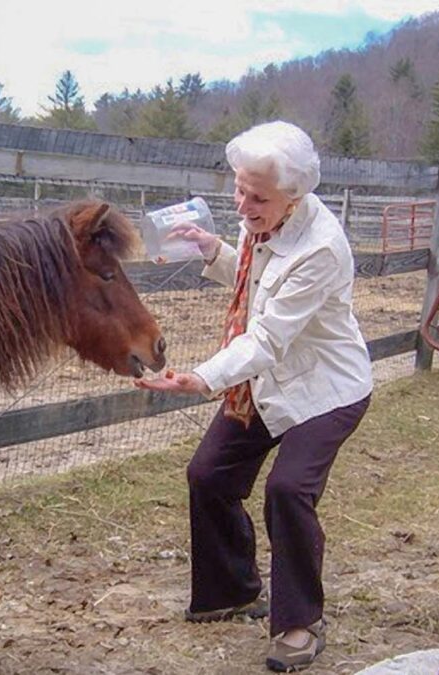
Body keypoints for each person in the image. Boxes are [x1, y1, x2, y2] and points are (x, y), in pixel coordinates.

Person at [135, 121, 372, 672]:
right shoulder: (264, 219)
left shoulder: (321, 249)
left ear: (294, 195)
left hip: (324, 389)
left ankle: (300, 622)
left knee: (287, 490)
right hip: (266, 385)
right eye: (238, 189)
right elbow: (252, 276)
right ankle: (232, 590)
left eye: (256, 196)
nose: (243, 204)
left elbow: (268, 335)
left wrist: (201, 378)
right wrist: (212, 247)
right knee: (209, 475)